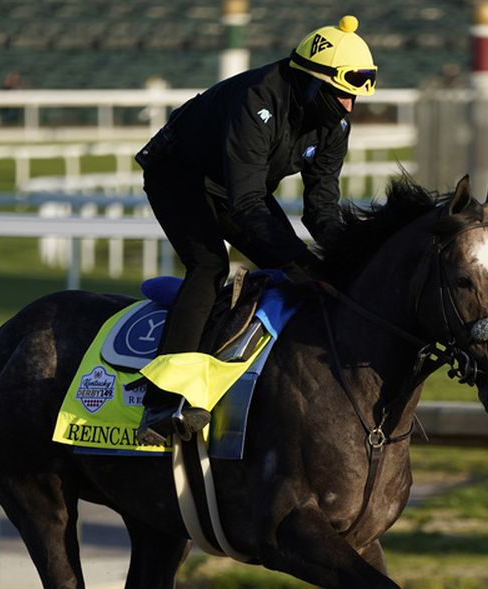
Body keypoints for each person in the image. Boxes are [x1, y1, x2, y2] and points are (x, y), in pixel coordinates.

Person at [133, 15, 377, 444]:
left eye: (354, 97)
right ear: (312, 82)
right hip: (181, 176)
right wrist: (301, 261)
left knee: (307, 279)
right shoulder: (258, 98)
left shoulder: (336, 123)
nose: (348, 106)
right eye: (341, 94)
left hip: (238, 187)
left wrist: (347, 259)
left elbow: (320, 209)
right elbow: (247, 204)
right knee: (209, 266)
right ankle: (162, 401)